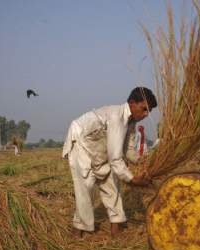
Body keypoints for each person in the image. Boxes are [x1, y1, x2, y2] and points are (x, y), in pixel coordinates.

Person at [62, 86, 157, 237]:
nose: (146, 114)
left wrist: (145, 162)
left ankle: (116, 229)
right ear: (132, 103)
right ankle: (78, 231)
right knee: (85, 188)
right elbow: (116, 159)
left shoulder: (131, 123)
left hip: (100, 149)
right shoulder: (116, 118)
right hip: (81, 144)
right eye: (144, 109)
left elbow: (129, 150)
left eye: (149, 111)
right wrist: (132, 180)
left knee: (112, 186)